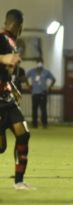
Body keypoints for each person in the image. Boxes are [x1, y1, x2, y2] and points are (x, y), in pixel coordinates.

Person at [0, 9, 34, 190]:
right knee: (1, 148)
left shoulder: (11, 42)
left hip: (7, 98)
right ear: (17, 25)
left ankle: (19, 182)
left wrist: (13, 89)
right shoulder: (0, 39)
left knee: (23, 134)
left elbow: (4, 74)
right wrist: (3, 58)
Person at [26, 59, 56, 128]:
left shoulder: (46, 72)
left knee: (43, 109)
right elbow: (25, 78)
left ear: (42, 63)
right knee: (34, 109)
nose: (39, 63)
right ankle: (34, 124)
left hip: (43, 93)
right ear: (36, 63)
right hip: (34, 93)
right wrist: (28, 86)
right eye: (38, 62)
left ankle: (44, 124)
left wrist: (49, 87)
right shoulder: (32, 71)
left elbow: (53, 79)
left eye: (40, 62)